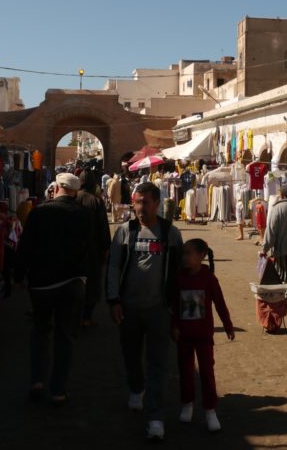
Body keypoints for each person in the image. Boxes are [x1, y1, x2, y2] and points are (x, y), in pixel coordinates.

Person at [107, 182, 184, 441]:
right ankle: (136, 388)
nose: (140, 207)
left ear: (157, 203)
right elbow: (114, 267)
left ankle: (155, 417)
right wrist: (113, 300)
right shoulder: (124, 231)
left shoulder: (170, 233)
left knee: (158, 363)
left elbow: (177, 274)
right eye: (137, 202)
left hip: (158, 310)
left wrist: (176, 308)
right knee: (130, 355)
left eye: (145, 202)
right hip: (128, 308)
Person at [16, 172, 93, 406]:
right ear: (75, 191)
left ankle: (37, 381)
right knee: (65, 337)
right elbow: (92, 248)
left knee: (40, 331)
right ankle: (58, 389)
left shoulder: (40, 212)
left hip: (42, 284)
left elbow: (25, 245)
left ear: (57, 187)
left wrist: (18, 275)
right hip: (72, 283)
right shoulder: (85, 214)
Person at [172, 238, 234, 433]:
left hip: (204, 335)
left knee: (207, 372)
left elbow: (220, 303)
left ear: (201, 256)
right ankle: (187, 404)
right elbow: (174, 306)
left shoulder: (209, 278)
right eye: (183, 254)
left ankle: (210, 410)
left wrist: (228, 325)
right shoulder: (179, 278)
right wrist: (173, 326)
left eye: (188, 253)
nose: (184, 258)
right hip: (183, 334)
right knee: (185, 371)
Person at [76, 171, 112, 327]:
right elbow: (103, 228)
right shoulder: (96, 202)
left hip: (74, 250)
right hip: (93, 250)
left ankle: (74, 315)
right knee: (92, 284)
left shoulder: (72, 198)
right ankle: (86, 318)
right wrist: (106, 249)